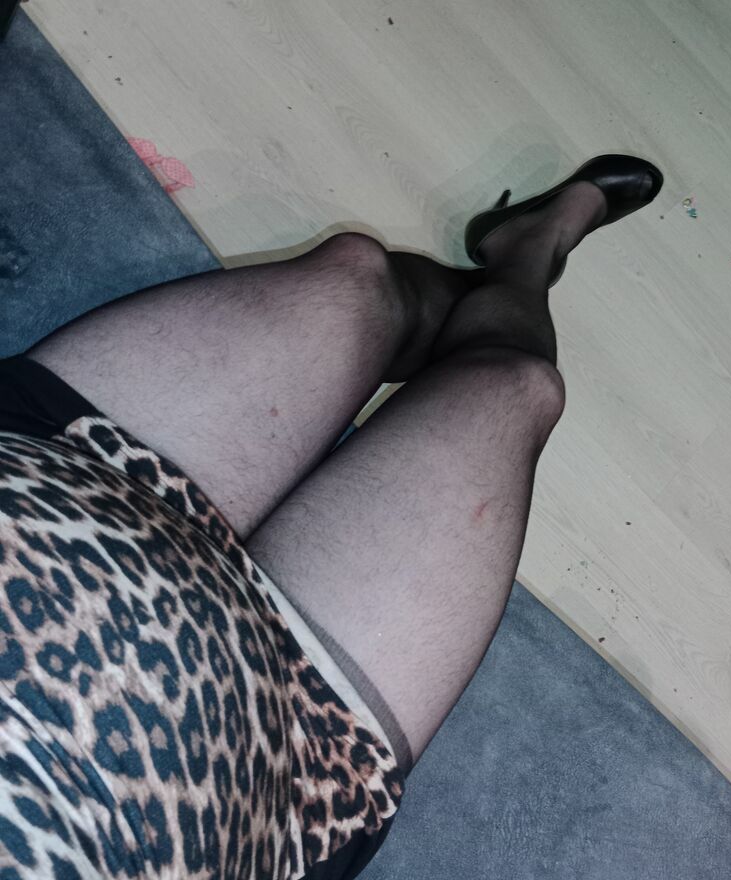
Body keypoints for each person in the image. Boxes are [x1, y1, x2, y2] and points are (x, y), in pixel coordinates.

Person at [0, 154, 662, 879]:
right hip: (275, 771)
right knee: (516, 387)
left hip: (50, 491)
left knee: (357, 280)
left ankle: (463, 298)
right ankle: (525, 258)